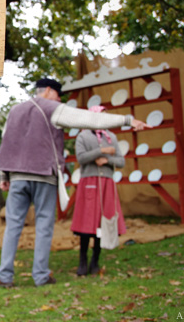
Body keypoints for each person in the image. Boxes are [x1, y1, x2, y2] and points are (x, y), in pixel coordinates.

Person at [0, 78, 149, 288]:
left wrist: (4, 176)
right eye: (58, 94)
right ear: (48, 91)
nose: (59, 99)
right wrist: (128, 120)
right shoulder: (52, 108)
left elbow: (6, 145)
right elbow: (90, 119)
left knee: (13, 227)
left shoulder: (14, 111)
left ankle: (5, 276)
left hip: (18, 177)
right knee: (44, 226)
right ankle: (40, 275)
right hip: (43, 176)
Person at [71, 105, 127, 276]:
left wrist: (107, 160)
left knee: (102, 222)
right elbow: (81, 158)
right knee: (87, 222)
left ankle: (95, 261)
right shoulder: (83, 136)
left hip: (107, 184)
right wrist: (100, 151)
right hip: (90, 182)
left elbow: (121, 161)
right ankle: (82, 261)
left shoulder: (112, 137)